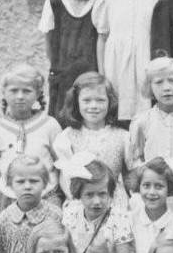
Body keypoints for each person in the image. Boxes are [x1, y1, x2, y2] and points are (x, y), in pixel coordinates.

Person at [93, 0, 162, 124]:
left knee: (146, 113)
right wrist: (102, 74)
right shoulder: (108, 0)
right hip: (116, 65)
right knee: (118, 112)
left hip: (145, 63)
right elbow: (102, 38)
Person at [0, 64, 62, 214]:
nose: (20, 96)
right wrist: (9, 189)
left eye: (26, 91)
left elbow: (61, 162)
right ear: (4, 92)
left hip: (47, 197)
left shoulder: (49, 125)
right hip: (11, 200)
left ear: (38, 93)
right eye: (14, 90)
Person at [39, 0, 103, 119]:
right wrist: (58, 69)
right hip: (63, 77)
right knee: (63, 120)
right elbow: (49, 46)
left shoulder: (103, 1)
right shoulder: (54, 4)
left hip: (92, 77)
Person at [53, 72, 132, 208]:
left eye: (100, 100)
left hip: (115, 203)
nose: (94, 106)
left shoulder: (123, 136)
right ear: (76, 102)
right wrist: (78, 201)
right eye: (87, 100)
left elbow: (133, 173)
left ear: (110, 102)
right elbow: (65, 178)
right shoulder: (67, 137)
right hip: (81, 202)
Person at [58, 158, 135, 253]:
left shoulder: (117, 217)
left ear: (110, 193)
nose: (97, 201)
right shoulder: (71, 215)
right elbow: (66, 250)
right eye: (89, 195)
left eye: (102, 194)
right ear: (79, 194)